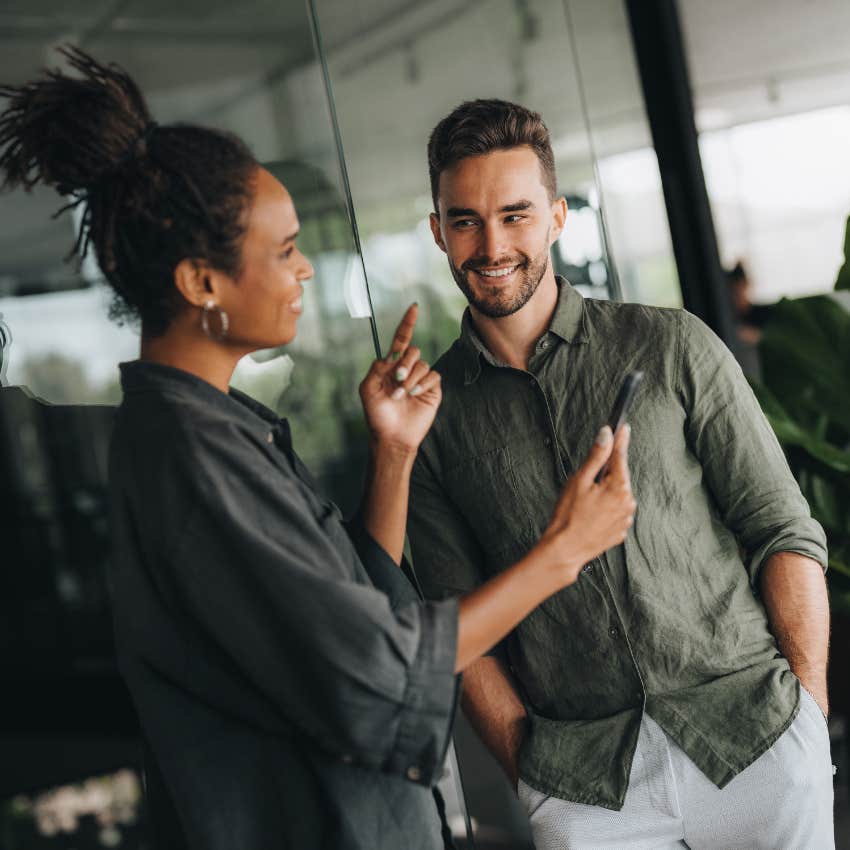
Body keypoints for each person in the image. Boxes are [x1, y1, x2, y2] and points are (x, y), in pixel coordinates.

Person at [0, 52, 637, 850]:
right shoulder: (190, 460)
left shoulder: (221, 426)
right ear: (202, 281)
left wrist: (394, 454)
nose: (304, 268)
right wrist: (566, 549)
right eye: (284, 249)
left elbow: (351, 612)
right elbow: (382, 674)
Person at [407, 99, 834, 850]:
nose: (492, 243)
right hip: (584, 786)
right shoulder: (432, 421)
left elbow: (781, 527)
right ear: (438, 229)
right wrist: (530, 777)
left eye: (515, 215)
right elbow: (457, 629)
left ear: (557, 216)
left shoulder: (671, 344)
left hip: (755, 737)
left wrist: (806, 710)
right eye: (466, 220)